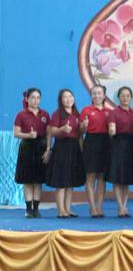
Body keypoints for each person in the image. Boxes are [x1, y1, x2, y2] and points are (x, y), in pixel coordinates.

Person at [46, 89, 84, 218]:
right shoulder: (57, 114)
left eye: (70, 96)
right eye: (65, 97)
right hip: (62, 148)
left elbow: (79, 135)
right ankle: (61, 210)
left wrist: (84, 128)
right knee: (61, 181)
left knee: (70, 181)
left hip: (74, 148)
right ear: (61, 100)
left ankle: (68, 209)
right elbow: (52, 132)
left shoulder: (77, 114)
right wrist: (62, 129)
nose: (68, 99)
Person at [13, 88, 49, 218]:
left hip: (41, 147)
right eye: (33, 97)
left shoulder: (45, 114)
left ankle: (36, 209)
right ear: (27, 99)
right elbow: (16, 133)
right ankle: (28, 209)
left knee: (38, 180)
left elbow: (49, 133)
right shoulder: (21, 115)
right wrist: (28, 135)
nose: (35, 100)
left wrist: (48, 149)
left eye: (38, 98)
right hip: (27, 147)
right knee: (28, 180)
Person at [80, 85, 111, 218]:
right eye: (94, 93)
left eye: (99, 93)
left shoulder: (109, 112)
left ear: (104, 96)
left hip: (105, 143)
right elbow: (81, 130)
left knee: (102, 177)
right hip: (91, 142)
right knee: (90, 176)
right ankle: (92, 207)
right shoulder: (86, 110)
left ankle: (99, 207)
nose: (97, 96)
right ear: (91, 96)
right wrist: (84, 126)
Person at [107, 86, 133, 218]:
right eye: (123, 95)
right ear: (118, 97)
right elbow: (111, 129)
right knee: (118, 178)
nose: (125, 98)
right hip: (117, 145)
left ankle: (124, 206)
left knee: (127, 179)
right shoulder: (113, 112)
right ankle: (120, 207)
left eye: (128, 96)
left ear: (131, 98)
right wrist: (111, 131)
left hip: (130, 145)